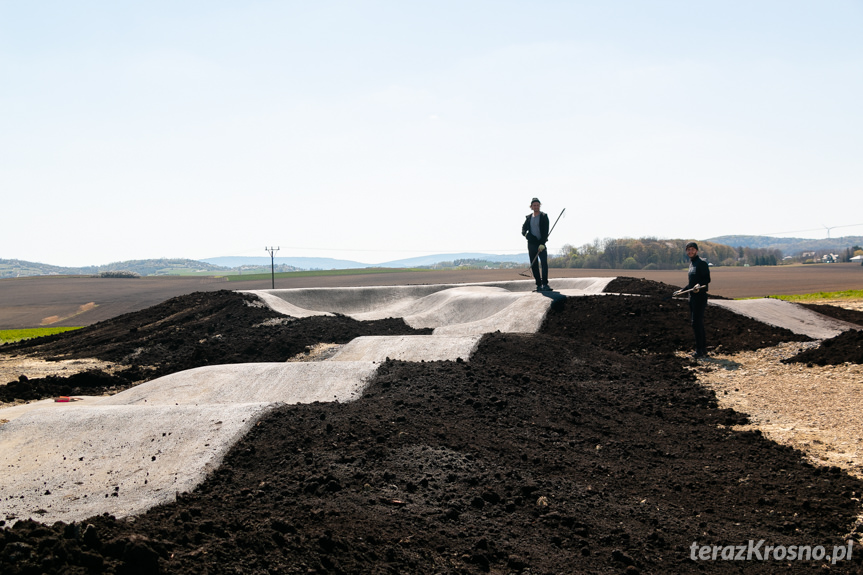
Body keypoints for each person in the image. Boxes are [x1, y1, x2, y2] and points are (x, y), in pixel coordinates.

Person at [680, 241, 711, 358]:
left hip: (700, 297)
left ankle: (700, 350)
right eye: (688, 249)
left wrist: (699, 285)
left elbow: (707, 279)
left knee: (696, 323)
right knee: (696, 324)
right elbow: (691, 284)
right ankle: (702, 349)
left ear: (696, 251)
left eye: (692, 249)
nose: (690, 251)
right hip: (692, 297)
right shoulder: (692, 264)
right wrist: (682, 290)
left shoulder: (701, 263)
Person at [522, 198, 551, 291]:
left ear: (540, 206)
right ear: (531, 207)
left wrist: (542, 243)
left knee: (544, 264)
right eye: (534, 205)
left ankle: (545, 284)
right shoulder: (528, 218)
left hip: (541, 244)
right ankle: (538, 285)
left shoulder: (544, 216)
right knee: (534, 264)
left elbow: (546, 231)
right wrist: (527, 235)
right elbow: (523, 230)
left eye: (537, 205)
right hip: (531, 244)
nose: (536, 207)